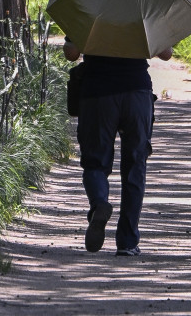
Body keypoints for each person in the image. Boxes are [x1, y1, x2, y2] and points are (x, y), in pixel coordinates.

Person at [64, 39, 172, 256]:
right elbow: (166, 53)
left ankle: (99, 204)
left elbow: (71, 53)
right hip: (137, 92)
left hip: (97, 92)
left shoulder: (90, 6)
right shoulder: (144, 8)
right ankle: (127, 241)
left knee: (95, 162)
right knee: (135, 165)